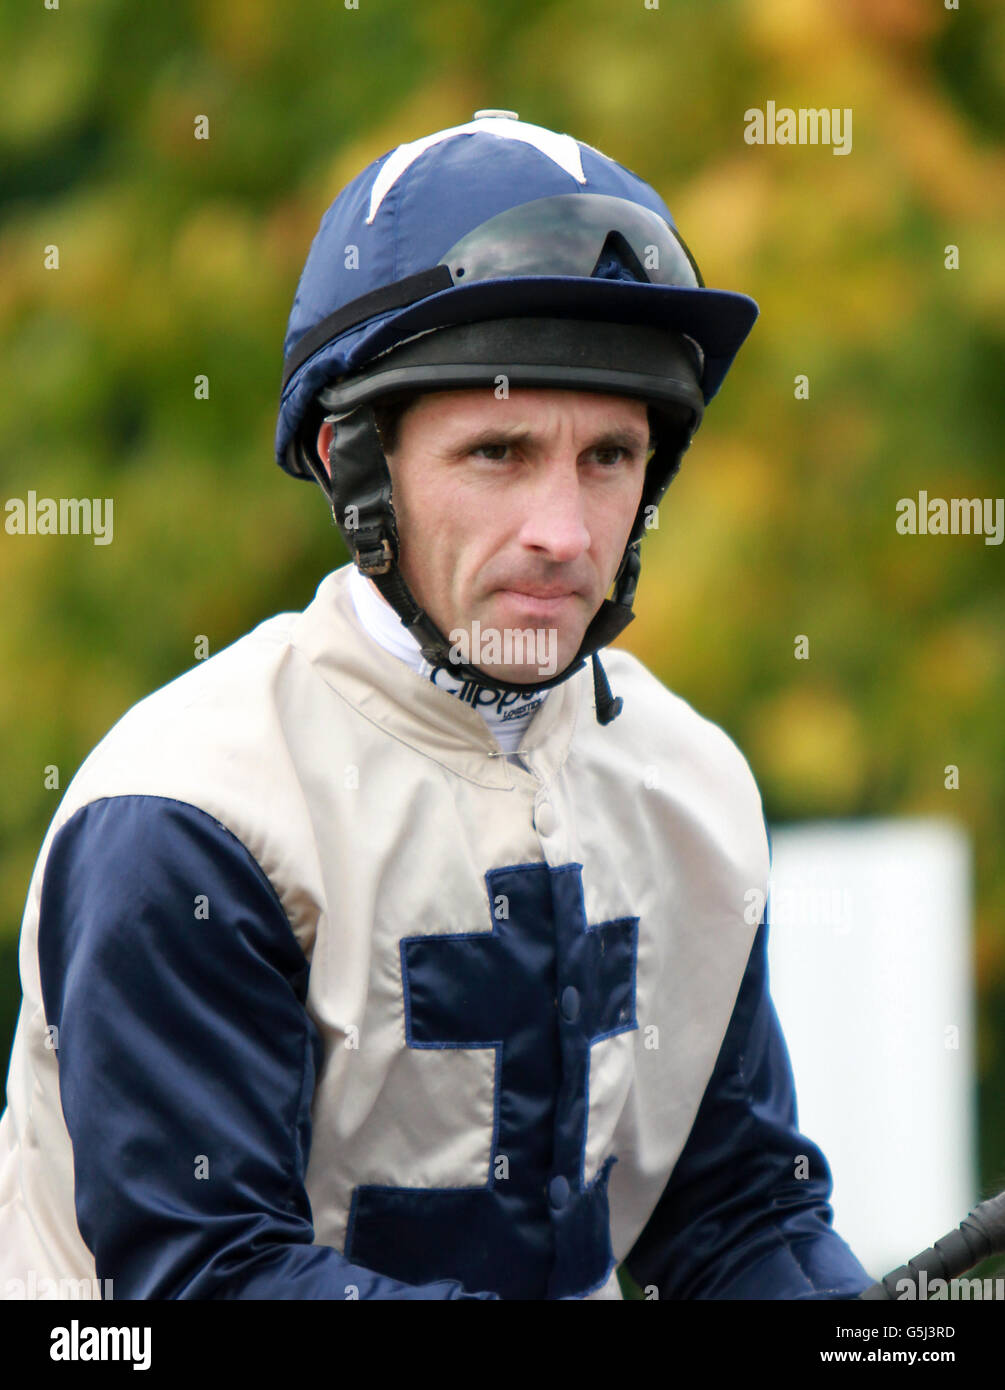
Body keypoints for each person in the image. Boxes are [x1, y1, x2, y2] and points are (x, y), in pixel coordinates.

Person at [0, 112, 872, 1300]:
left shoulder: (692, 783)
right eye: (499, 452)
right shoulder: (185, 809)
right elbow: (212, 1284)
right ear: (354, 464)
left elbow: (730, 1215)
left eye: (609, 457)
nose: (564, 534)